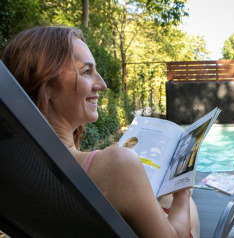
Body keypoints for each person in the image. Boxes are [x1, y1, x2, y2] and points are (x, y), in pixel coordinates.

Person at [1, 26, 200, 238]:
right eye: (87, 71)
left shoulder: (15, 171)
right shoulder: (118, 166)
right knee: (174, 199)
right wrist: (182, 191)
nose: (102, 85)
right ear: (46, 85)